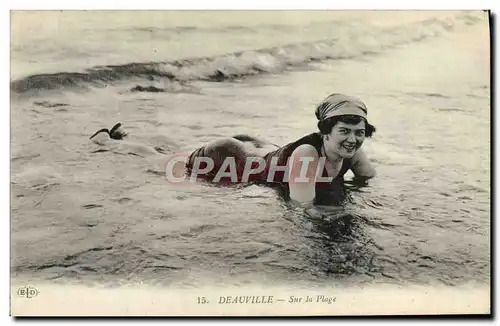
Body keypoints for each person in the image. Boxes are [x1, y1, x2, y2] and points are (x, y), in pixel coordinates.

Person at [183, 93, 377, 206]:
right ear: (326, 132)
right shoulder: (307, 154)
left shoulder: (349, 149)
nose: (353, 139)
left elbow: (367, 178)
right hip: (228, 157)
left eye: (359, 132)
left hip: (267, 151)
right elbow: (301, 207)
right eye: (344, 131)